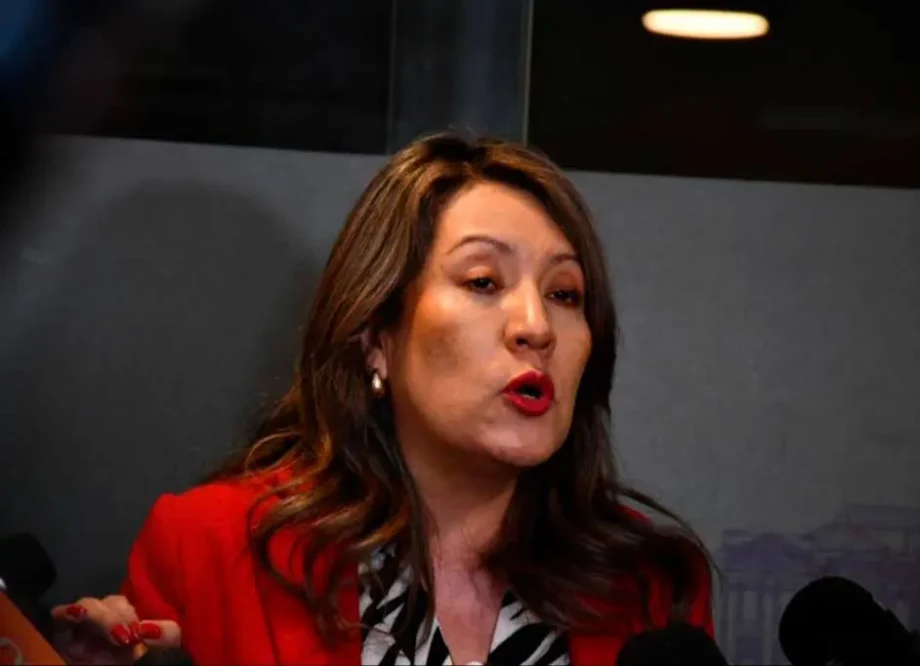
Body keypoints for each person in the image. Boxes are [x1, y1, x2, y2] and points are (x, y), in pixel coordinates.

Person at [49, 132, 714, 665]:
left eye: (565, 294)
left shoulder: (653, 583)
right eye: (484, 282)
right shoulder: (210, 547)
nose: (536, 327)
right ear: (377, 339)